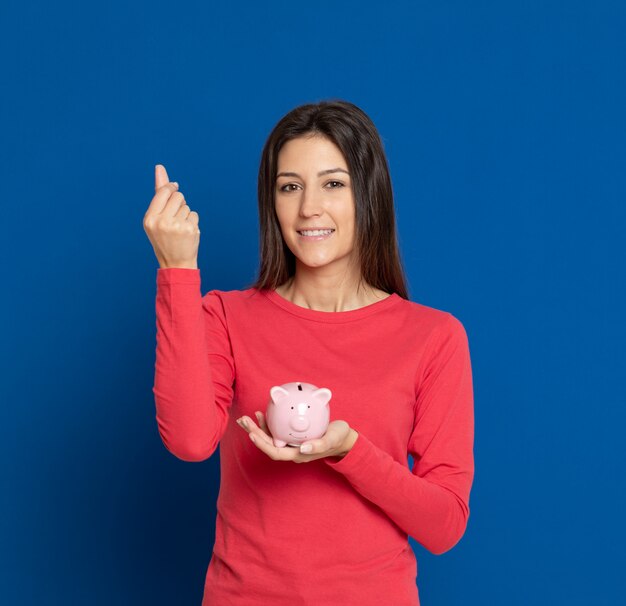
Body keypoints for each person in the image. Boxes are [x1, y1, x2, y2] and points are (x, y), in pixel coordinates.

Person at [143, 99, 475, 606]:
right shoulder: (227, 317)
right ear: (271, 201)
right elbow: (189, 441)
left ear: (369, 194)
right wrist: (178, 269)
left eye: (333, 183)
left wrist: (350, 452)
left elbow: (444, 525)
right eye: (290, 186)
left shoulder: (433, 336)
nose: (308, 208)